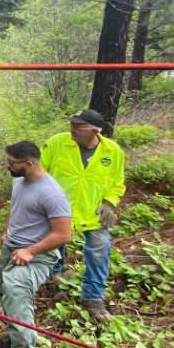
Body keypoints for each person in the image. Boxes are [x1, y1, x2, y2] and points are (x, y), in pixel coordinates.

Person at [0, 140, 72, 348]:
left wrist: (31, 251)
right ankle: (15, 335)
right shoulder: (20, 181)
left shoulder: (52, 193)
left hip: (38, 253)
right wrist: (7, 232)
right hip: (14, 246)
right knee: (4, 290)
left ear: (28, 163)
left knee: (16, 290)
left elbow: (63, 234)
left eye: (11, 163)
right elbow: (15, 209)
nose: (7, 166)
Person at [41, 109, 125, 323]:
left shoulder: (112, 152)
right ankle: (52, 279)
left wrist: (109, 203)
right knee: (54, 245)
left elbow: (117, 183)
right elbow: (40, 173)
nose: (72, 130)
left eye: (79, 127)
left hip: (92, 212)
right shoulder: (57, 143)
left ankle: (93, 298)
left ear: (95, 131)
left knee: (99, 251)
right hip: (58, 209)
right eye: (72, 125)